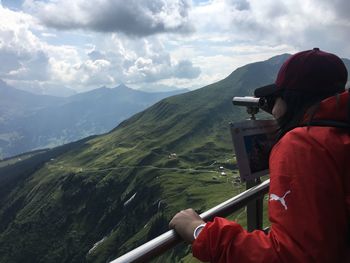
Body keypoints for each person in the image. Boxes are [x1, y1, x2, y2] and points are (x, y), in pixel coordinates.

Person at [169, 48, 350, 262]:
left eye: (275, 100)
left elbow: (290, 256)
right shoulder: (339, 132)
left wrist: (199, 231)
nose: (273, 111)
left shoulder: (303, 145)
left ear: (290, 99)